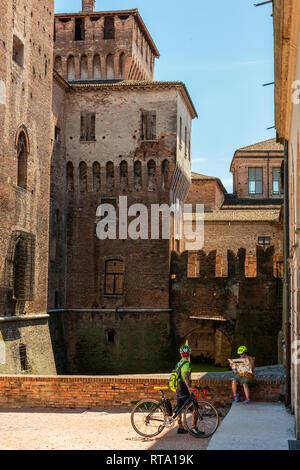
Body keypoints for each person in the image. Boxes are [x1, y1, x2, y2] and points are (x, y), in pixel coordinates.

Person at [175, 345, 203, 435]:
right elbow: (186, 376)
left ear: (181, 354)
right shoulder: (186, 363)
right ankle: (194, 428)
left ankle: (180, 427)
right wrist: (189, 387)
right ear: (189, 354)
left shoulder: (179, 363)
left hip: (178, 387)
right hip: (184, 388)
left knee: (179, 408)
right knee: (195, 407)